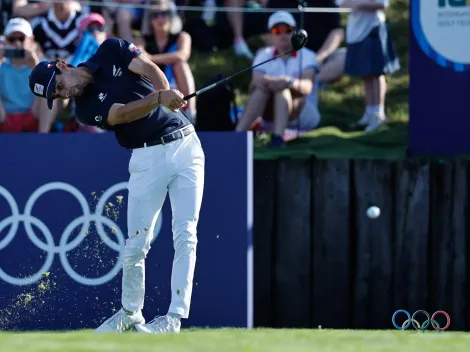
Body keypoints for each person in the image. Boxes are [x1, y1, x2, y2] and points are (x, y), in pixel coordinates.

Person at [28, 36, 205, 333]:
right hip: (146, 157)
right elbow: (122, 113)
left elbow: (149, 69)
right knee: (136, 243)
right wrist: (159, 99)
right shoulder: (83, 110)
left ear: (62, 66)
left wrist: (165, 92)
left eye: (59, 86)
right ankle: (131, 313)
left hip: (186, 145)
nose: (64, 93)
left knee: (185, 233)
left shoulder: (111, 49)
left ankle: (173, 318)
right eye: (58, 96)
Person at [235, 11, 320, 147]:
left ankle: (277, 138)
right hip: (270, 114)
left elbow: (307, 87)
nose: (283, 36)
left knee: (282, 90)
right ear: (270, 36)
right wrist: (274, 82)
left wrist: (288, 82)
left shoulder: (308, 55)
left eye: (287, 30)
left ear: (295, 32)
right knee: (260, 90)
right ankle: (237, 135)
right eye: (277, 31)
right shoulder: (263, 55)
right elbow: (255, 82)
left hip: (303, 116)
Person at [336, 0, 399, 132]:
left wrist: (360, 4)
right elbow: (340, 4)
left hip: (373, 28)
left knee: (377, 73)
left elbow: (382, 4)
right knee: (366, 74)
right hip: (356, 32)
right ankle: (370, 112)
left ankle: (379, 113)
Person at [137, 0, 197, 123]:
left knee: (181, 65)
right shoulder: (141, 39)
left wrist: (151, 58)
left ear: (172, 15)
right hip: (151, 88)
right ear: (149, 19)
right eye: (155, 15)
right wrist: (168, 58)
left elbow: (182, 55)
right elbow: (138, 57)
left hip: (176, 85)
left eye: (165, 13)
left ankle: (190, 113)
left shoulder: (182, 36)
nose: (160, 18)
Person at [0, 17, 56, 132]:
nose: (17, 43)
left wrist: (36, 66)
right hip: (4, 117)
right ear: (5, 41)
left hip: (33, 115)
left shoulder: (44, 64)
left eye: (21, 38)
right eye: (12, 39)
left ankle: (42, 142)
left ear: (31, 39)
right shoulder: (1, 64)